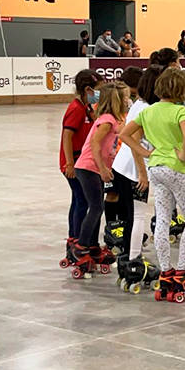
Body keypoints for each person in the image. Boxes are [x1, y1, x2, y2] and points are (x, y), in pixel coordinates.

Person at [120, 68, 185, 302]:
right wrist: (183, 154)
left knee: (162, 220)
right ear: (181, 90)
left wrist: (146, 152)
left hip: (156, 169)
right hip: (177, 170)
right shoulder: (180, 111)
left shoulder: (148, 112)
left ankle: (167, 271)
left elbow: (125, 135)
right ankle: (183, 269)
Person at [68, 82, 130, 278]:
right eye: (125, 98)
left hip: (95, 168)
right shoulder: (106, 120)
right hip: (88, 167)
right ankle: (82, 245)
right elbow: (94, 143)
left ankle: (92, 245)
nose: (128, 101)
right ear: (117, 100)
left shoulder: (115, 119)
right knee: (96, 207)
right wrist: (102, 168)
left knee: (97, 206)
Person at [107, 65, 161, 264]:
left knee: (130, 215)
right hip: (133, 170)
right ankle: (133, 259)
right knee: (137, 216)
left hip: (121, 166)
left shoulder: (139, 104)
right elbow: (134, 140)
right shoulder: (147, 109)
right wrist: (143, 173)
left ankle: (127, 255)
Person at [58, 69, 103, 267]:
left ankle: (75, 239)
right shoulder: (75, 108)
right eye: (98, 90)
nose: (99, 94)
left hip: (81, 161)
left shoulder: (85, 107)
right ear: (87, 89)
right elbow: (67, 136)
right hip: (74, 163)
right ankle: (76, 241)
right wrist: (69, 163)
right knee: (82, 201)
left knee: (79, 199)